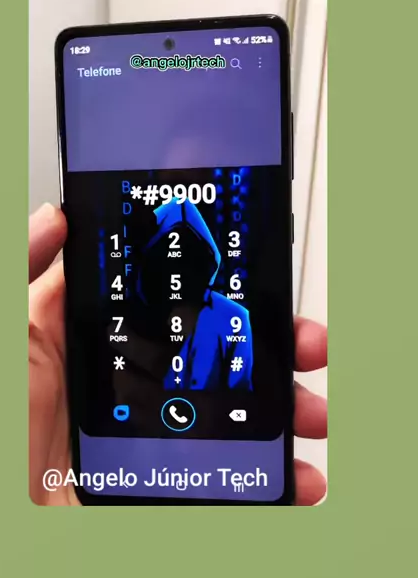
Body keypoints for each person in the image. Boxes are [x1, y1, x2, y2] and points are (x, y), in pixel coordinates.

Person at [29, 203, 328, 506]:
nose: (177, 273)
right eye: (165, 256)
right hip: (123, 467)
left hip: (217, 467)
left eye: (191, 258)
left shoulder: (232, 318)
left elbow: (242, 394)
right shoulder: (117, 317)